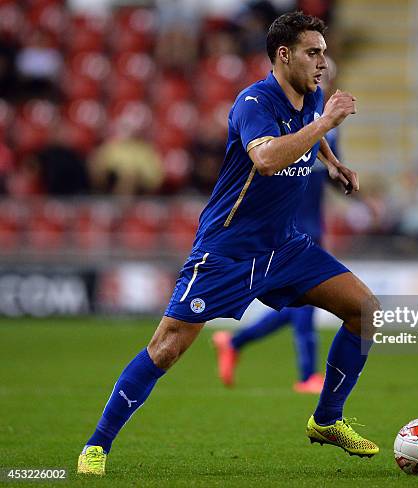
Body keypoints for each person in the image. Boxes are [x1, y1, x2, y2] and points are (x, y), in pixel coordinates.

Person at [77, 12, 380, 476]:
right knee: (166, 348)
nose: (323, 62)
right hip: (227, 251)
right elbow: (266, 160)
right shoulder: (252, 103)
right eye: (313, 53)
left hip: (286, 247)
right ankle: (97, 445)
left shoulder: (312, 95)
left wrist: (333, 163)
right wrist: (326, 127)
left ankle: (326, 419)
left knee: (365, 310)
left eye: (323, 52)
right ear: (284, 55)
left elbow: (310, 124)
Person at [212, 126, 340, 394]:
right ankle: (307, 375)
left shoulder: (328, 130)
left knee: (299, 307)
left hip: (314, 229)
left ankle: (234, 343)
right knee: (306, 303)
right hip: (288, 231)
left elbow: (332, 173)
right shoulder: (281, 127)